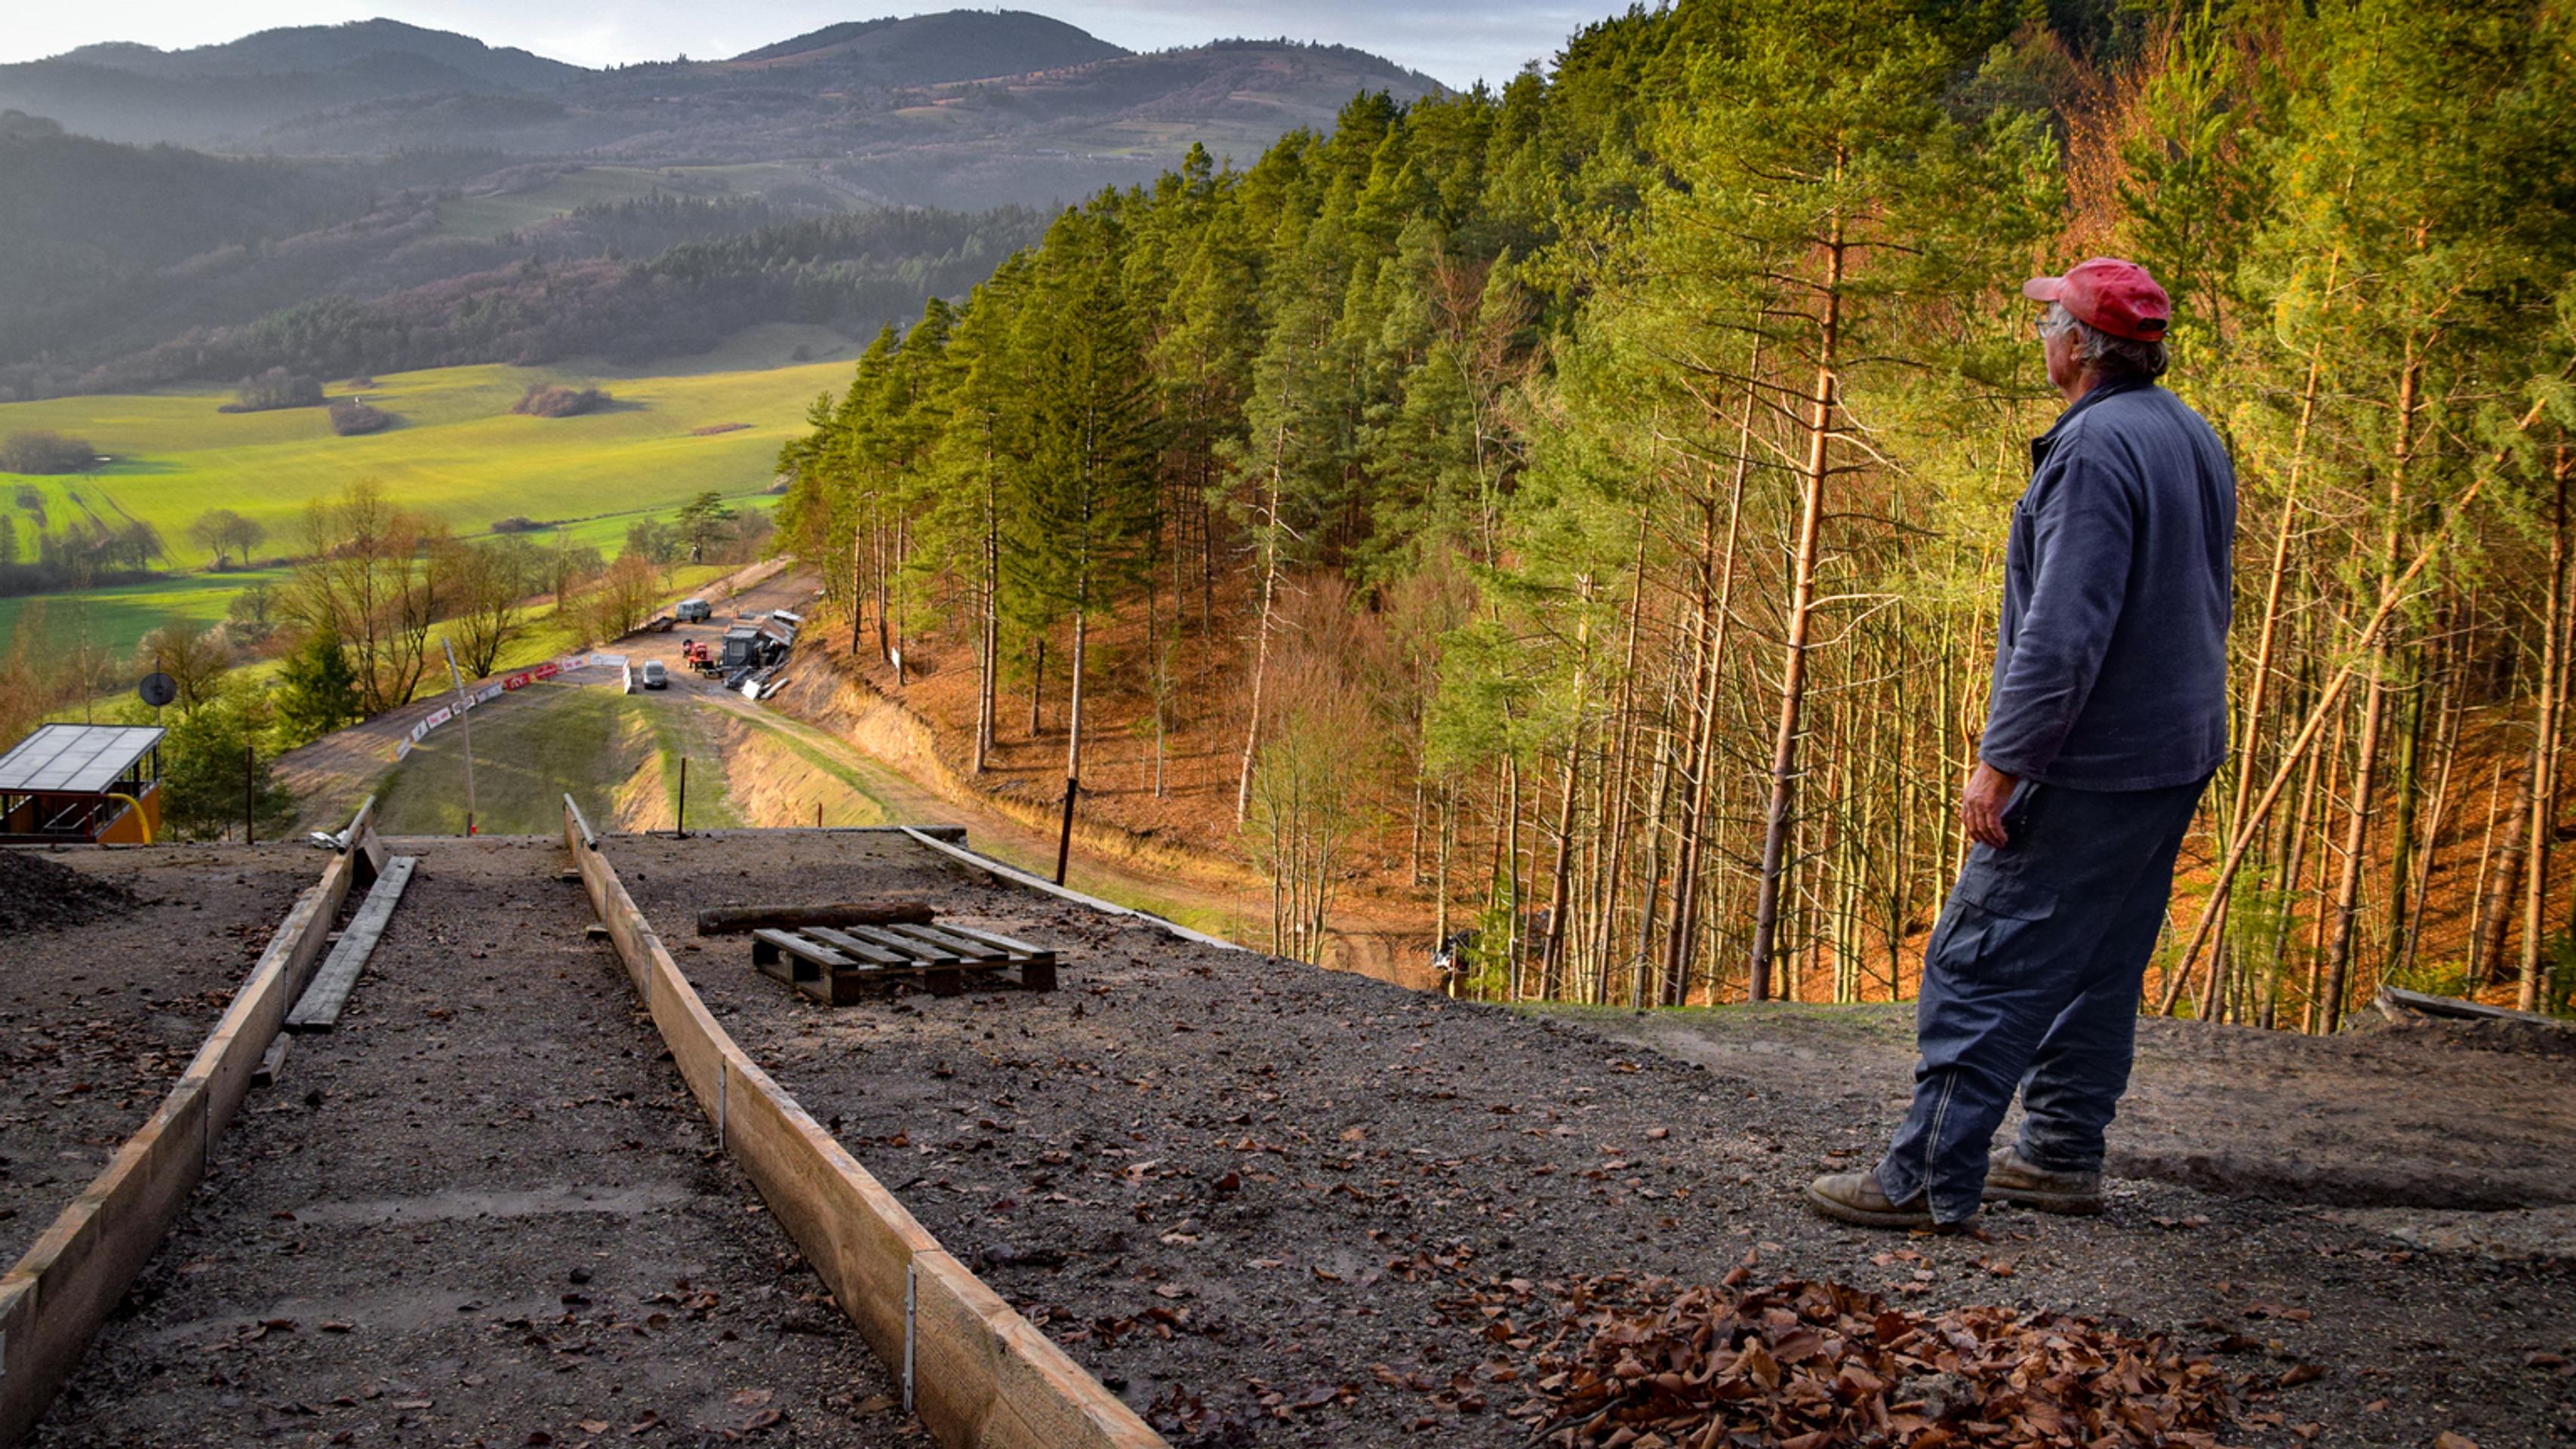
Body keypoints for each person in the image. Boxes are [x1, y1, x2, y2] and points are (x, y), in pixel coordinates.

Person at [1807, 257, 2236, 1230]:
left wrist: (2004, 762)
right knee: (2099, 961)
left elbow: (2062, 632)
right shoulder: (2188, 432)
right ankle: (2058, 1156)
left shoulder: (2093, 452)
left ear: (2080, 347)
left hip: (2089, 759)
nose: (2039, 336)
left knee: (1985, 958)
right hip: (2172, 753)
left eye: (2047, 323)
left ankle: (1924, 1177)